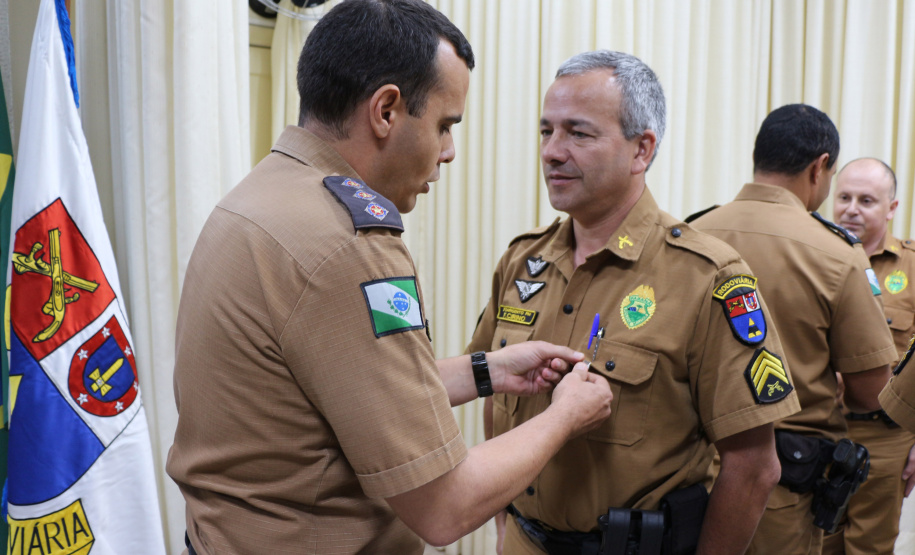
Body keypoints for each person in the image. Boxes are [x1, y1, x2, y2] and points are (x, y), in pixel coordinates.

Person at [165, 1, 614, 554]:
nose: (449, 153)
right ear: (386, 111)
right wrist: (563, 418)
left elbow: (341, 391)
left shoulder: (262, 197)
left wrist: (488, 370)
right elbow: (445, 506)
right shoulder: (349, 247)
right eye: (444, 126)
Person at [467, 50, 800, 555]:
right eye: (546, 131)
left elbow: (753, 465)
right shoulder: (522, 260)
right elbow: (496, 395)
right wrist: (502, 526)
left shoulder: (706, 276)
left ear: (641, 150)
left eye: (578, 133)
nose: (553, 151)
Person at [691, 105, 896, 555]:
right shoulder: (837, 254)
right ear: (819, 167)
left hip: (690, 475)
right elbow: (869, 393)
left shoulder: (690, 236)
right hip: (780, 490)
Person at [820, 158, 915, 555]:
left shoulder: (912, 266)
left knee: (869, 548)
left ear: (891, 208)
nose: (851, 208)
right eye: (844, 197)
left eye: (866, 200)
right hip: (822, 426)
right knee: (815, 541)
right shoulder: (816, 256)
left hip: (887, 434)